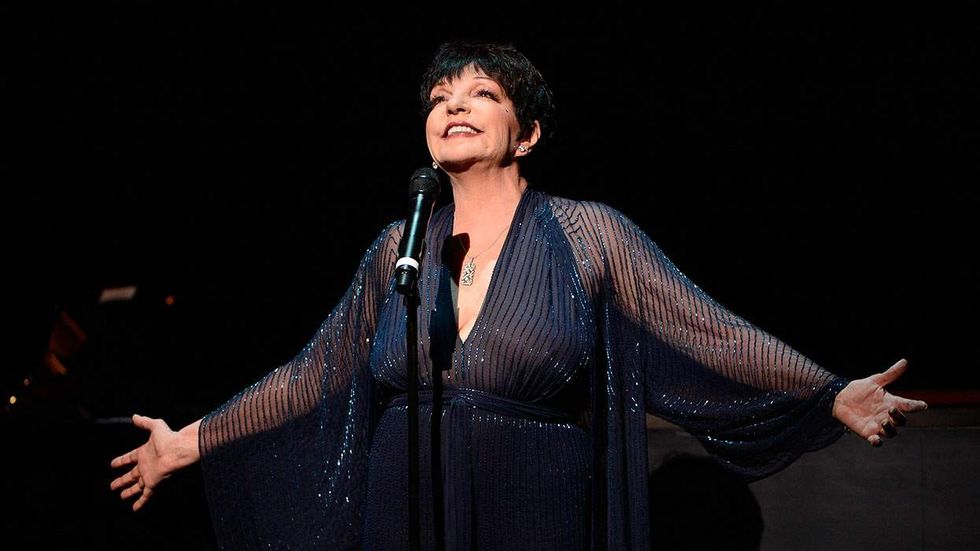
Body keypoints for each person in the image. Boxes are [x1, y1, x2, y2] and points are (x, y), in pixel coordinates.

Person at [110, 40, 928, 550]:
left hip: (532, 500)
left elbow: (708, 329)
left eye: (482, 94)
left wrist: (828, 391)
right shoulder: (399, 245)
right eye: (440, 98)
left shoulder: (587, 232)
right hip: (404, 502)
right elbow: (312, 373)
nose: (453, 105)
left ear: (527, 133)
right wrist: (187, 442)